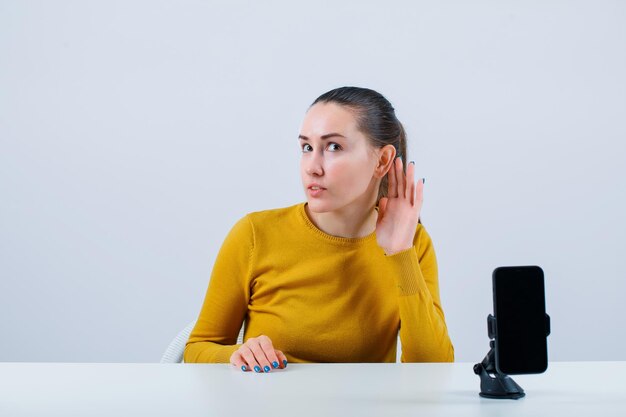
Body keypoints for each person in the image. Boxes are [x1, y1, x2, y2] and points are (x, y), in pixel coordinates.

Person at [184, 86, 454, 372]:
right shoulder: (254, 234)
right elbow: (197, 349)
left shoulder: (412, 243)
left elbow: (434, 370)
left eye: (333, 147)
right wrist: (238, 355)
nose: (312, 167)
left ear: (382, 160)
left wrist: (400, 254)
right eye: (307, 148)